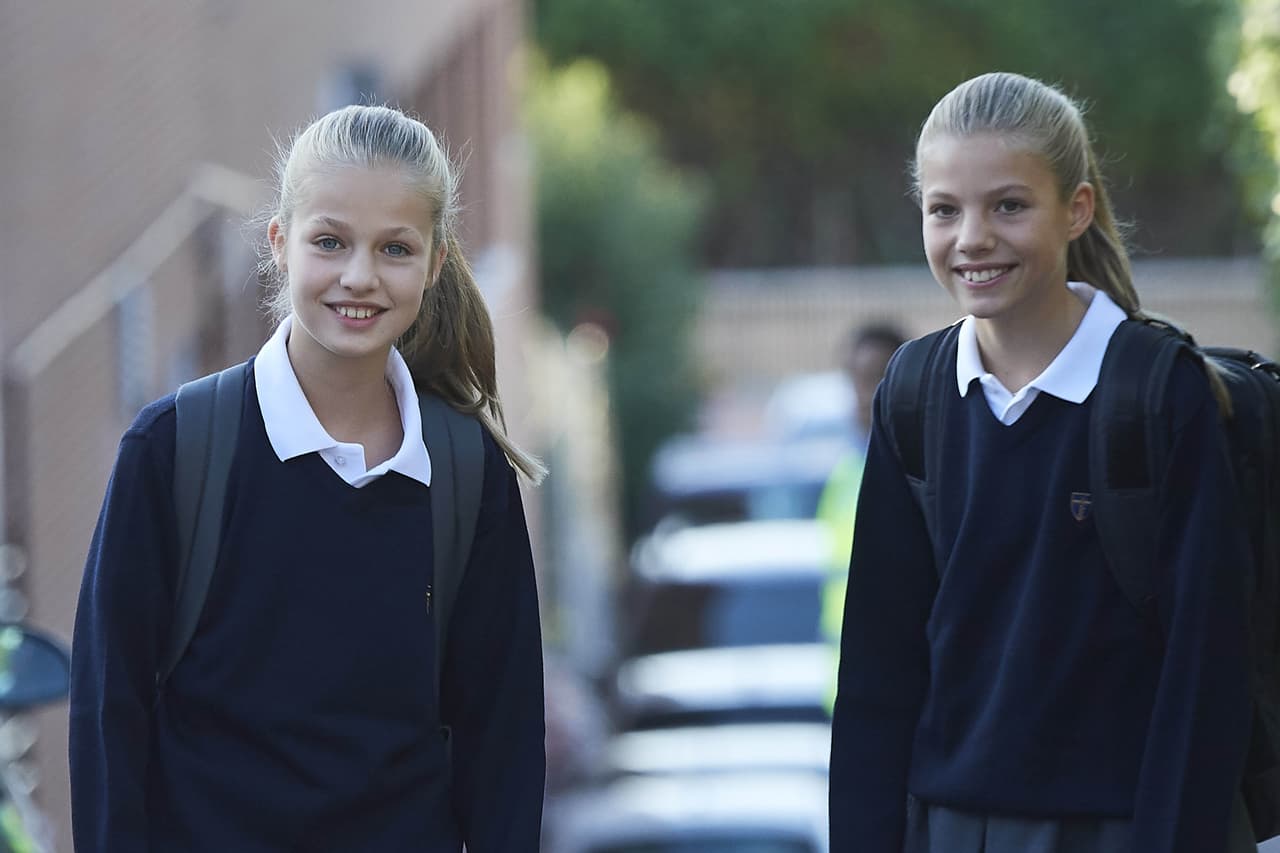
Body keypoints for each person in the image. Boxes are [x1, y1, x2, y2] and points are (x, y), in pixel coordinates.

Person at [68, 104, 547, 852]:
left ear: (436, 261)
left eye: (395, 247)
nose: (359, 275)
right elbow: (108, 720)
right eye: (330, 241)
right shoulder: (171, 450)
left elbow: (504, 740)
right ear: (280, 243)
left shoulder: (462, 470)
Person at [828, 72, 1255, 853]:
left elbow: (1204, 676)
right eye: (944, 209)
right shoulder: (913, 395)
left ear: (1077, 209)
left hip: (1120, 831)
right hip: (947, 830)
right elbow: (875, 678)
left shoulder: (1160, 394)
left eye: (1009, 206)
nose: (973, 238)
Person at [816, 324, 905, 707]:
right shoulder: (847, 471)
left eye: (873, 378)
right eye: (853, 379)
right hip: (849, 692)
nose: (860, 395)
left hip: (899, 693)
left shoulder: (927, 473)